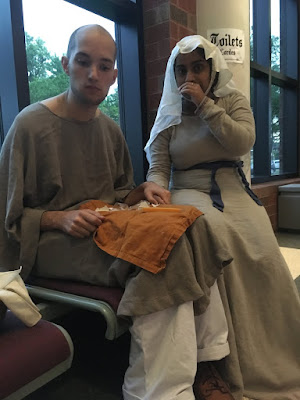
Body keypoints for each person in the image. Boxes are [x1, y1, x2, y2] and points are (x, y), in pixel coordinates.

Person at [0, 25, 242, 400]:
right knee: (161, 255)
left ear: (114, 75)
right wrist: (56, 218)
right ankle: (155, 391)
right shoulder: (29, 126)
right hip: (50, 241)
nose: (93, 74)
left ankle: (205, 361)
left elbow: (116, 195)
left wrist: (141, 191)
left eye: (103, 65)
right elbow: (7, 216)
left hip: (102, 227)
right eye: (83, 62)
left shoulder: (110, 131)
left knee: (191, 226)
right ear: (66, 63)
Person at [145, 34, 300, 400]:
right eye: (182, 69)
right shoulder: (168, 109)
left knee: (263, 252)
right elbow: (159, 164)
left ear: (212, 67)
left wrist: (204, 106)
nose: (190, 76)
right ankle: (223, 363)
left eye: (197, 67)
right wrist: (154, 186)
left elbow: (243, 141)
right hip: (187, 188)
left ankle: (282, 352)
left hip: (232, 186)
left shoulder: (232, 99)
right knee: (215, 237)